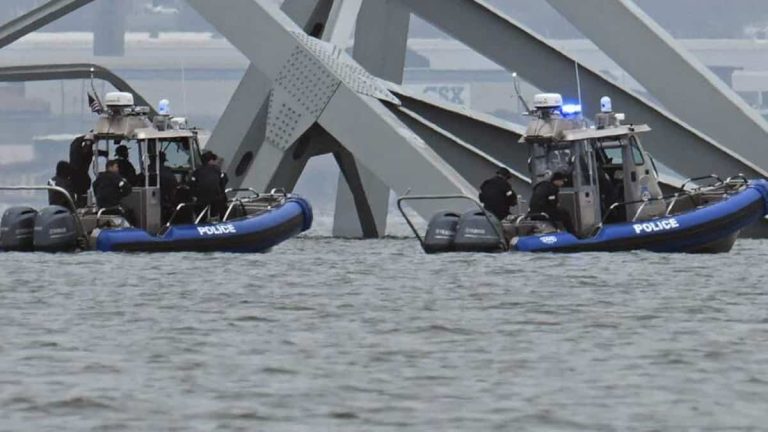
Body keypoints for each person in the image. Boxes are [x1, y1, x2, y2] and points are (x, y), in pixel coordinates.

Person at [93, 160, 135, 225]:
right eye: (116, 167)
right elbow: (127, 189)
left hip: (101, 207)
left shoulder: (99, 178)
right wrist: (120, 194)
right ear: (110, 167)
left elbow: (94, 188)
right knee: (130, 212)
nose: (118, 169)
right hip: (114, 207)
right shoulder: (115, 177)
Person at [190, 151, 229, 221]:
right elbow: (224, 180)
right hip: (217, 199)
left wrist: (195, 195)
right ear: (210, 160)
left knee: (199, 211)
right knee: (223, 204)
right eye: (213, 160)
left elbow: (192, 184)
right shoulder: (217, 170)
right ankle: (224, 221)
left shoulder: (196, 172)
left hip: (201, 200)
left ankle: (200, 222)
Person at [69, 135, 94, 207]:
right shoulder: (77, 153)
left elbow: (74, 144)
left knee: (82, 196)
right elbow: (74, 144)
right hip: (77, 177)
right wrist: (85, 137)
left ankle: (80, 205)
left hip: (82, 178)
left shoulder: (87, 153)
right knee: (79, 195)